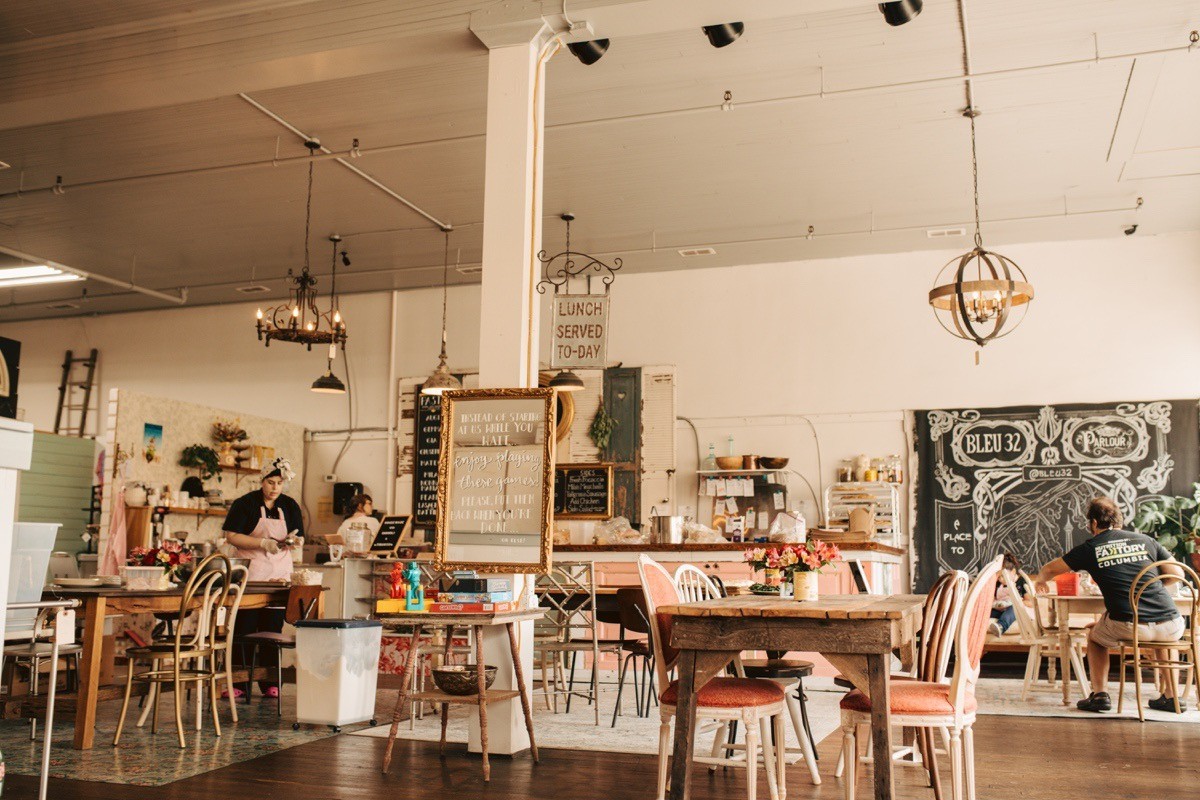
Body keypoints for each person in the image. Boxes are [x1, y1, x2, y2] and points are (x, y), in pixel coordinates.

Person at [1031, 496, 1184, 714]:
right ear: (1120, 520)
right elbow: (1177, 574)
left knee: (1094, 636)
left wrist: (1041, 580)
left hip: (1131, 625)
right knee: (1165, 637)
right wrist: (1152, 585)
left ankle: (1100, 695)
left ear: (1093, 523)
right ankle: (1172, 697)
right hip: (1172, 622)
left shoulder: (1091, 547)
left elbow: (1048, 569)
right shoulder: (1146, 540)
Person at [221, 457, 303, 698]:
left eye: (279, 483)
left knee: (272, 630)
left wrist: (295, 541)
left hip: (279, 576)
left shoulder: (290, 505)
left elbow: (300, 536)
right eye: (270, 482)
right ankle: (238, 684)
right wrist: (262, 543)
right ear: (262, 481)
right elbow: (231, 535)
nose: (275, 487)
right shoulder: (244, 503)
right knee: (243, 630)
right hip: (251, 575)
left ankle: (270, 683)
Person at [988, 552, 1027, 637]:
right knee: (987, 612)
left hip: (1017, 612)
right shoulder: (998, 584)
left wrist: (1014, 603)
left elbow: (1030, 602)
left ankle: (1001, 626)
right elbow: (991, 597)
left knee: (1014, 609)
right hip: (1001, 610)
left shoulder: (1021, 582)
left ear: (1013, 571)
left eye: (1002, 575)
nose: (1000, 579)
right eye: (998, 576)